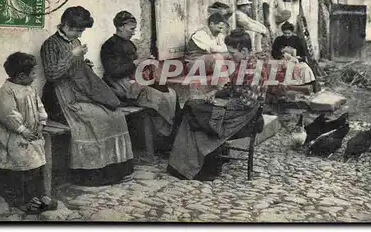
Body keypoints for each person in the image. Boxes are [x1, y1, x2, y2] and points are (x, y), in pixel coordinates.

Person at [40, 6, 134, 186]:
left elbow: (75, 66)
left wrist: (83, 64)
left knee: (115, 115)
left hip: (79, 89)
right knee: (96, 118)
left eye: (81, 31)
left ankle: (116, 169)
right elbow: (52, 74)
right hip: (59, 96)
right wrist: (72, 56)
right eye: (77, 30)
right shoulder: (50, 44)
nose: (79, 34)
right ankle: (91, 174)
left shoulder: (74, 41)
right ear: (65, 25)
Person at [168, 28, 268, 181]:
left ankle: (201, 167)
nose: (231, 57)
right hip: (236, 110)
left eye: (233, 53)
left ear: (245, 51)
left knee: (196, 112)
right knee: (192, 107)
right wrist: (215, 93)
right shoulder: (243, 63)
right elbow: (232, 88)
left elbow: (246, 102)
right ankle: (185, 165)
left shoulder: (254, 69)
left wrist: (221, 104)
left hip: (245, 117)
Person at [101, 11, 180, 151]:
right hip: (121, 86)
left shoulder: (130, 44)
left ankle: (171, 138)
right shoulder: (109, 46)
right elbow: (114, 72)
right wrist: (137, 62)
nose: (133, 32)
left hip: (135, 82)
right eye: (131, 29)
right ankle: (165, 141)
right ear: (120, 27)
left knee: (172, 94)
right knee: (162, 98)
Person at [0, 52, 58, 214]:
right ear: (21, 76)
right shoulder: (6, 92)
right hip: (13, 136)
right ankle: (22, 201)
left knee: (37, 165)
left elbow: (40, 107)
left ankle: (40, 196)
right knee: (21, 169)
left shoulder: (30, 89)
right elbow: (8, 115)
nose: (35, 77)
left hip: (32, 136)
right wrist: (23, 130)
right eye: (33, 73)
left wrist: (41, 124)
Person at [270, 21, 317, 93]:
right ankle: (291, 86)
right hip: (283, 60)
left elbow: (303, 54)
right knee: (288, 67)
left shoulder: (297, 40)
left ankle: (309, 84)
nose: (287, 35)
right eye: (285, 33)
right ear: (283, 32)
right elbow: (274, 52)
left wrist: (297, 58)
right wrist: (282, 55)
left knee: (305, 67)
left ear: (292, 32)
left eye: (289, 33)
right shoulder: (278, 40)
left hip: (295, 60)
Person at [185, 11, 230, 76]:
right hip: (192, 65)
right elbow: (212, 49)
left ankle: (230, 82)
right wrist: (222, 48)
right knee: (217, 57)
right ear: (211, 24)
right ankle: (222, 83)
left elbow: (225, 48)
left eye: (222, 28)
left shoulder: (218, 34)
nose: (221, 31)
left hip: (207, 65)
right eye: (219, 28)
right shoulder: (200, 33)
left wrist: (223, 49)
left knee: (231, 55)